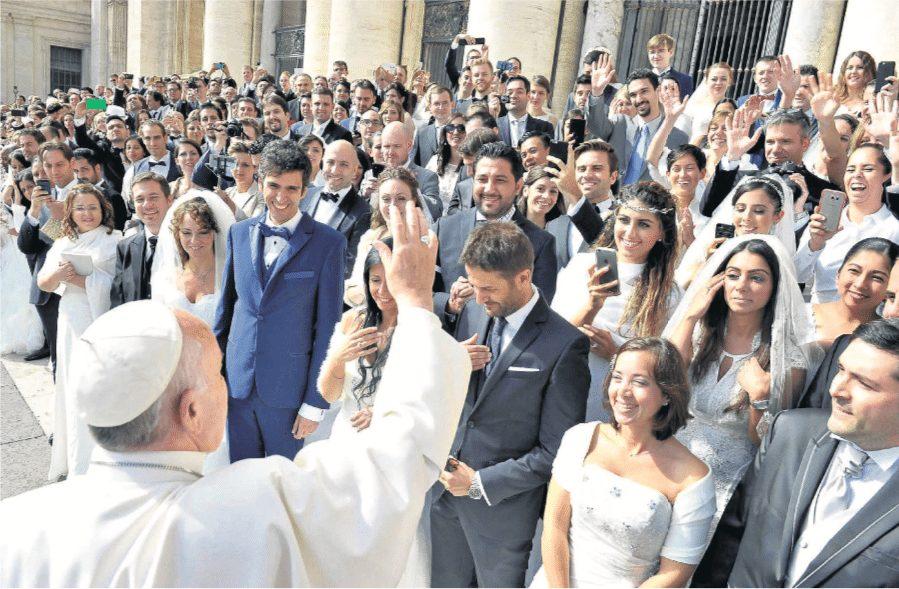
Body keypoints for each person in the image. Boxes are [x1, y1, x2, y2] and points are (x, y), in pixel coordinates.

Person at [0, 198, 474, 587]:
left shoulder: (15, 527)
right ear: (190, 411)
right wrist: (415, 306)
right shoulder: (257, 510)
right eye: (216, 374)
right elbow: (399, 457)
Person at [430, 222, 590, 588]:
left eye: (489, 288)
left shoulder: (565, 344)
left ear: (523, 277)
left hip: (501, 512)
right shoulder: (474, 310)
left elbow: (556, 453)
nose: (480, 297)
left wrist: (478, 484)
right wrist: (451, 362)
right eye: (475, 285)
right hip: (444, 496)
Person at [719, 319, 899, 587]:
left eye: (863, 383)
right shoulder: (790, 431)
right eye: (841, 370)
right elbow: (732, 535)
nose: (836, 389)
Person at [533, 337, 715, 587]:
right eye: (617, 378)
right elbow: (554, 526)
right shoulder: (581, 438)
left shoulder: (694, 478)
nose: (623, 392)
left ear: (667, 395)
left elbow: (674, 573)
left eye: (639, 382)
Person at [665, 235, 817, 529]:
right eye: (733, 275)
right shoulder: (701, 333)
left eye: (756, 278)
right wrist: (690, 317)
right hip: (672, 467)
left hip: (726, 490)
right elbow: (666, 377)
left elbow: (767, 442)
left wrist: (760, 396)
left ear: (775, 287)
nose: (741, 286)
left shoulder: (787, 357)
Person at [214, 140, 345, 462]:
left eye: (292, 188)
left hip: (288, 391)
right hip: (238, 385)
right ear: (260, 182)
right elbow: (226, 312)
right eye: (273, 186)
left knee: (282, 487)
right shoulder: (238, 233)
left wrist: (315, 402)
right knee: (242, 481)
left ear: (305, 190)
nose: (281, 197)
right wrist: (212, 378)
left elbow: (327, 327)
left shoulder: (328, 243)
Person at [552, 181, 680, 421]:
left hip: (617, 399)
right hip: (565, 383)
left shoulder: (668, 293)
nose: (630, 233)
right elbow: (554, 336)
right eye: (624, 220)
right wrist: (591, 306)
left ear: (662, 232)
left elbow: (663, 366)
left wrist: (616, 354)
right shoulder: (581, 266)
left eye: (643, 224)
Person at [37, 184, 121, 479]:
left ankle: (106, 460)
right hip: (71, 319)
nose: (87, 214)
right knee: (73, 387)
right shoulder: (62, 241)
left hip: (101, 319)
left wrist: (85, 281)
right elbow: (43, 283)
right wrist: (60, 275)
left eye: (93, 208)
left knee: (100, 387)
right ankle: (77, 461)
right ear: (70, 212)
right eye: (80, 208)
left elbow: (120, 286)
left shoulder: (116, 240)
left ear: (104, 210)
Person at [150, 190, 235, 473]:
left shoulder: (230, 276)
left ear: (215, 233)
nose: (194, 241)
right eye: (186, 233)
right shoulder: (166, 277)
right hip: (177, 374)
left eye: (202, 232)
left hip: (220, 374)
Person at [432, 142, 557, 304]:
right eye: (482, 179)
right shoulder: (445, 228)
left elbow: (539, 309)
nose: (489, 189)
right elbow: (425, 292)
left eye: (500, 180)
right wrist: (450, 303)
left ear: (518, 186)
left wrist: (486, 296)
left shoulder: (541, 243)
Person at [796, 144, 899, 303]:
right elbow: (798, 274)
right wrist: (815, 243)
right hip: (821, 319)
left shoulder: (894, 230)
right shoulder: (821, 223)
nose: (857, 175)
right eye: (850, 170)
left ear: (886, 175)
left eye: (868, 169)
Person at [699, 108, 837, 219]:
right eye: (770, 142)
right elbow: (708, 209)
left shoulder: (825, 193)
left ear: (805, 143)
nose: (776, 149)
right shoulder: (743, 179)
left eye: (785, 142)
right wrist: (733, 156)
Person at [677, 174, 798, 289]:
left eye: (759, 211)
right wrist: (710, 264)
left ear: (778, 216)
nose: (746, 217)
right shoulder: (713, 249)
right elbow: (684, 292)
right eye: (740, 209)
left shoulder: (779, 258)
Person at [586, 59, 690, 185]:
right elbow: (595, 126)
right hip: (614, 200)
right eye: (633, 95)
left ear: (657, 91)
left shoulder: (678, 137)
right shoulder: (620, 123)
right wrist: (596, 93)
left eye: (644, 91)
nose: (639, 99)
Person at [344, 168, 424, 307]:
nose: (392, 205)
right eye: (386, 199)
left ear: (414, 201)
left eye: (401, 199)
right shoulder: (370, 236)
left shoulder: (424, 239)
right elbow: (353, 286)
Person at [809, 237, 898, 347]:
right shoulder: (799, 315)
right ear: (838, 274)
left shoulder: (890, 337)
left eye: (877, 277)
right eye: (854, 271)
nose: (860, 284)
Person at [300, 140, 371, 279]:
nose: (334, 170)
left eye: (343, 164)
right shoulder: (305, 195)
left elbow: (349, 267)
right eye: (330, 162)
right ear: (322, 162)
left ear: (355, 170)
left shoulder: (364, 212)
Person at [110, 172, 175, 306]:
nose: (147, 205)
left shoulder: (186, 242)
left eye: (154, 197)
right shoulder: (125, 247)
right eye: (139, 199)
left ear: (169, 200)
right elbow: (118, 300)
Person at [0, 184, 44, 355]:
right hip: (11, 256)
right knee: (11, 296)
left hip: (19, 254)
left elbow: (19, 234)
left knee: (23, 294)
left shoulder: (17, 211)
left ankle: (30, 337)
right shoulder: (6, 211)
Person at [497, 76, 554, 148]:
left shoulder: (545, 127)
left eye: (519, 92)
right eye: (510, 92)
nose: (513, 96)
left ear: (528, 96)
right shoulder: (495, 125)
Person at [425, 113, 466, 210]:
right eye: (450, 128)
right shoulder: (434, 161)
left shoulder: (472, 164)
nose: (455, 132)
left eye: (461, 128)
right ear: (445, 133)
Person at [412, 85, 456, 167]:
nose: (441, 107)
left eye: (445, 103)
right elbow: (415, 164)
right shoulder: (421, 133)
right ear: (430, 107)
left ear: (452, 104)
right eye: (436, 103)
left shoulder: (461, 130)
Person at [647, 33, 694, 99]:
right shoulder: (641, 78)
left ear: (671, 52)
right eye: (652, 52)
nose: (656, 56)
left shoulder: (685, 80)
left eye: (661, 51)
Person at [224, 139, 263, 218]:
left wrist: (230, 204)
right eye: (235, 164)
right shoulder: (227, 193)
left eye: (245, 165)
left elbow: (253, 225)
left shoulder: (261, 196)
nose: (239, 169)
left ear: (255, 168)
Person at [517, 165, 563, 229]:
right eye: (540, 189)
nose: (546, 196)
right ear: (525, 191)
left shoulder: (562, 229)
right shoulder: (508, 227)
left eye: (553, 191)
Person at [833, 50, 876, 116]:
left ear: (869, 73)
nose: (853, 71)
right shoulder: (833, 96)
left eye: (860, 68)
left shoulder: (873, 102)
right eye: (850, 68)